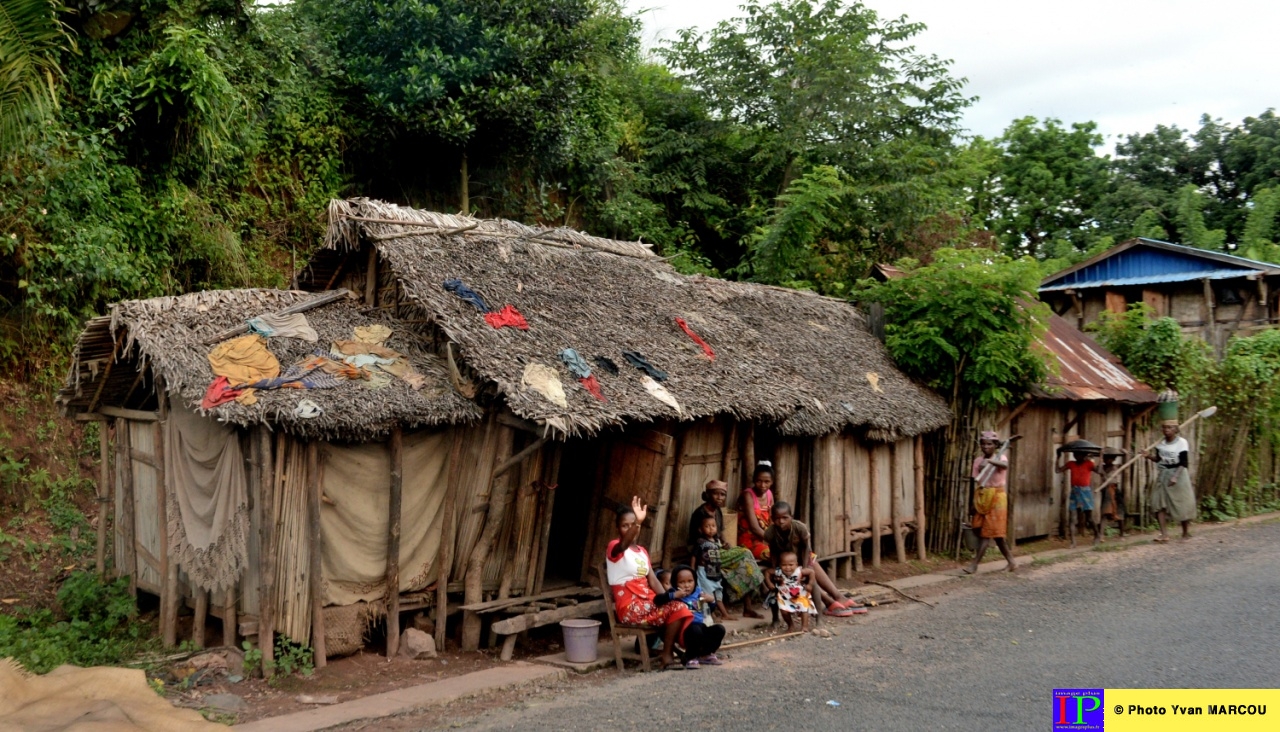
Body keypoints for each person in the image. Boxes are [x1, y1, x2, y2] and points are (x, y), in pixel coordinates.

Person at [606, 496, 693, 670]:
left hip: (648, 602)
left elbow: (652, 580)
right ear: (617, 528)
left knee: (678, 606)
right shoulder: (614, 546)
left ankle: (670, 652)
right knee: (675, 609)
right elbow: (623, 545)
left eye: (633, 525)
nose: (630, 529)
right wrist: (638, 522)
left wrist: (668, 597)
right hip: (630, 607)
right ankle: (667, 655)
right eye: (625, 526)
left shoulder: (642, 551)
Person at [763, 502, 865, 617]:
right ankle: (830, 601)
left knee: (810, 566)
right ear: (772, 519)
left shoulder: (799, 527)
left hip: (800, 556)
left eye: (784, 518)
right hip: (785, 560)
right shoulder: (771, 533)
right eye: (777, 519)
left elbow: (806, 548)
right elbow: (773, 552)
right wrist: (777, 569)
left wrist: (806, 567)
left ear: (791, 517)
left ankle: (837, 598)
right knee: (803, 574)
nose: (781, 522)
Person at [689, 480, 764, 618]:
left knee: (745, 566)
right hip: (708, 554)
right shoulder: (699, 513)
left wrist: (724, 542)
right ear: (708, 495)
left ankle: (747, 608)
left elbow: (720, 532)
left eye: (722, 495)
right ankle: (709, 614)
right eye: (716, 494)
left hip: (718, 549)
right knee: (745, 552)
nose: (719, 498)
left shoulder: (718, 511)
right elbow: (695, 541)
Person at [965, 431, 1017, 574]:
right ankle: (1011, 562)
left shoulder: (1001, 458)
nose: (986, 446)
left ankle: (974, 564)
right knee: (990, 533)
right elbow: (974, 481)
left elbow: (1004, 466)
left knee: (986, 533)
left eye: (989, 444)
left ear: (995, 445)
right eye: (983, 444)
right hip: (982, 495)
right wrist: (972, 503)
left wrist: (990, 462)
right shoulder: (977, 461)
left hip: (997, 497)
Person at [659, 565, 726, 668]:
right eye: (682, 582)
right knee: (695, 629)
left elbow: (710, 609)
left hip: (699, 627)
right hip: (684, 631)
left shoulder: (698, 592)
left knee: (719, 629)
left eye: (690, 581)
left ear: (695, 581)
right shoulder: (673, 593)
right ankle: (690, 657)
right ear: (674, 583)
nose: (687, 585)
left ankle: (705, 655)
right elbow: (658, 600)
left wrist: (711, 600)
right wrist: (674, 595)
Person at [1145, 420, 1195, 542]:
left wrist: (1175, 477)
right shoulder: (1160, 444)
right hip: (1164, 474)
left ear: (1175, 429)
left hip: (1179, 473)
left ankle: (1185, 533)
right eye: (1164, 427)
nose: (1166, 430)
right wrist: (1148, 456)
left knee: (1181, 503)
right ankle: (1164, 534)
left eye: (1169, 428)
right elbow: (1158, 459)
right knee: (1157, 503)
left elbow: (1184, 462)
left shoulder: (1182, 443)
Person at [1056, 449, 1101, 546]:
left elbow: (1100, 471)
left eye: (1079, 454)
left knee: (1089, 518)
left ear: (1084, 455)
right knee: (1072, 517)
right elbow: (1057, 470)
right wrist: (1058, 457)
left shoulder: (1089, 464)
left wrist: (1100, 457)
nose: (1076, 456)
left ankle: (1097, 535)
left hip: (1085, 492)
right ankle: (1073, 542)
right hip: (1074, 492)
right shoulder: (1071, 464)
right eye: (1075, 454)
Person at [691, 515, 731, 621]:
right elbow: (694, 556)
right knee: (706, 594)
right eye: (707, 526)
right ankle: (709, 615)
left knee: (718, 593)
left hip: (715, 572)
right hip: (703, 571)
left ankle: (725, 614)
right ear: (701, 529)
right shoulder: (700, 542)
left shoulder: (717, 541)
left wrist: (726, 546)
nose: (711, 529)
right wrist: (692, 570)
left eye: (713, 526)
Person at [764, 551, 817, 632]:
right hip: (784, 595)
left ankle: (804, 626)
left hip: (799, 594)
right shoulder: (779, 571)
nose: (787, 567)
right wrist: (769, 583)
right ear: (780, 565)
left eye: (791, 565)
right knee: (784, 611)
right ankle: (791, 625)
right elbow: (767, 572)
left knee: (804, 609)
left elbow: (811, 572)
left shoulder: (799, 571)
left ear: (796, 564)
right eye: (784, 565)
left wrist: (810, 584)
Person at [737, 462, 775, 562]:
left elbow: (772, 520)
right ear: (754, 480)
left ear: (772, 482)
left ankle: (811, 575)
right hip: (749, 540)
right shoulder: (748, 495)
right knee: (776, 554)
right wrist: (772, 540)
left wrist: (774, 538)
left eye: (767, 482)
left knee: (798, 551)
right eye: (759, 481)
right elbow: (754, 527)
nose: (763, 485)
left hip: (766, 537)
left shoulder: (769, 494)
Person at [1097, 450, 1126, 538]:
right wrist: (1100, 457)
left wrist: (1126, 455)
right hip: (1106, 491)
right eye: (1105, 458)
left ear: (1113, 459)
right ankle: (1101, 535)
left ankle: (1122, 533)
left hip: (1115, 490)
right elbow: (1098, 471)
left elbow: (1126, 465)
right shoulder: (1102, 468)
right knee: (1105, 513)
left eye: (1109, 458)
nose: (1107, 460)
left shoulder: (1116, 467)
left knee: (1119, 513)